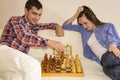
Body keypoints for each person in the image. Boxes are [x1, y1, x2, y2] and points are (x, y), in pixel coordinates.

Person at [0, 0, 64, 80]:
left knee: (21, 77)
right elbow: (24, 37)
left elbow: (49, 25)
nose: (37, 18)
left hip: (11, 66)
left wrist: (57, 26)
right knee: (33, 65)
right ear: (26, 11)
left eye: (39, 15)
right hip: (4, 53)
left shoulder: (35, 26)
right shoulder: (16, 20)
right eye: (34, 13)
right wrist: (49, 42)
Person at [62, 5, 120, 80]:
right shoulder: (83, 30)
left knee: (108, 58)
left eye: (85, 23)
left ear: (92, 18)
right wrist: (76, 14)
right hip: (104, 61)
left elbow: (113, 38)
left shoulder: (106, 26)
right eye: (81, 24)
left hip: (114, 51)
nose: (84, 26)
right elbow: (65, 26)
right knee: (108, 70)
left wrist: (112, 46)